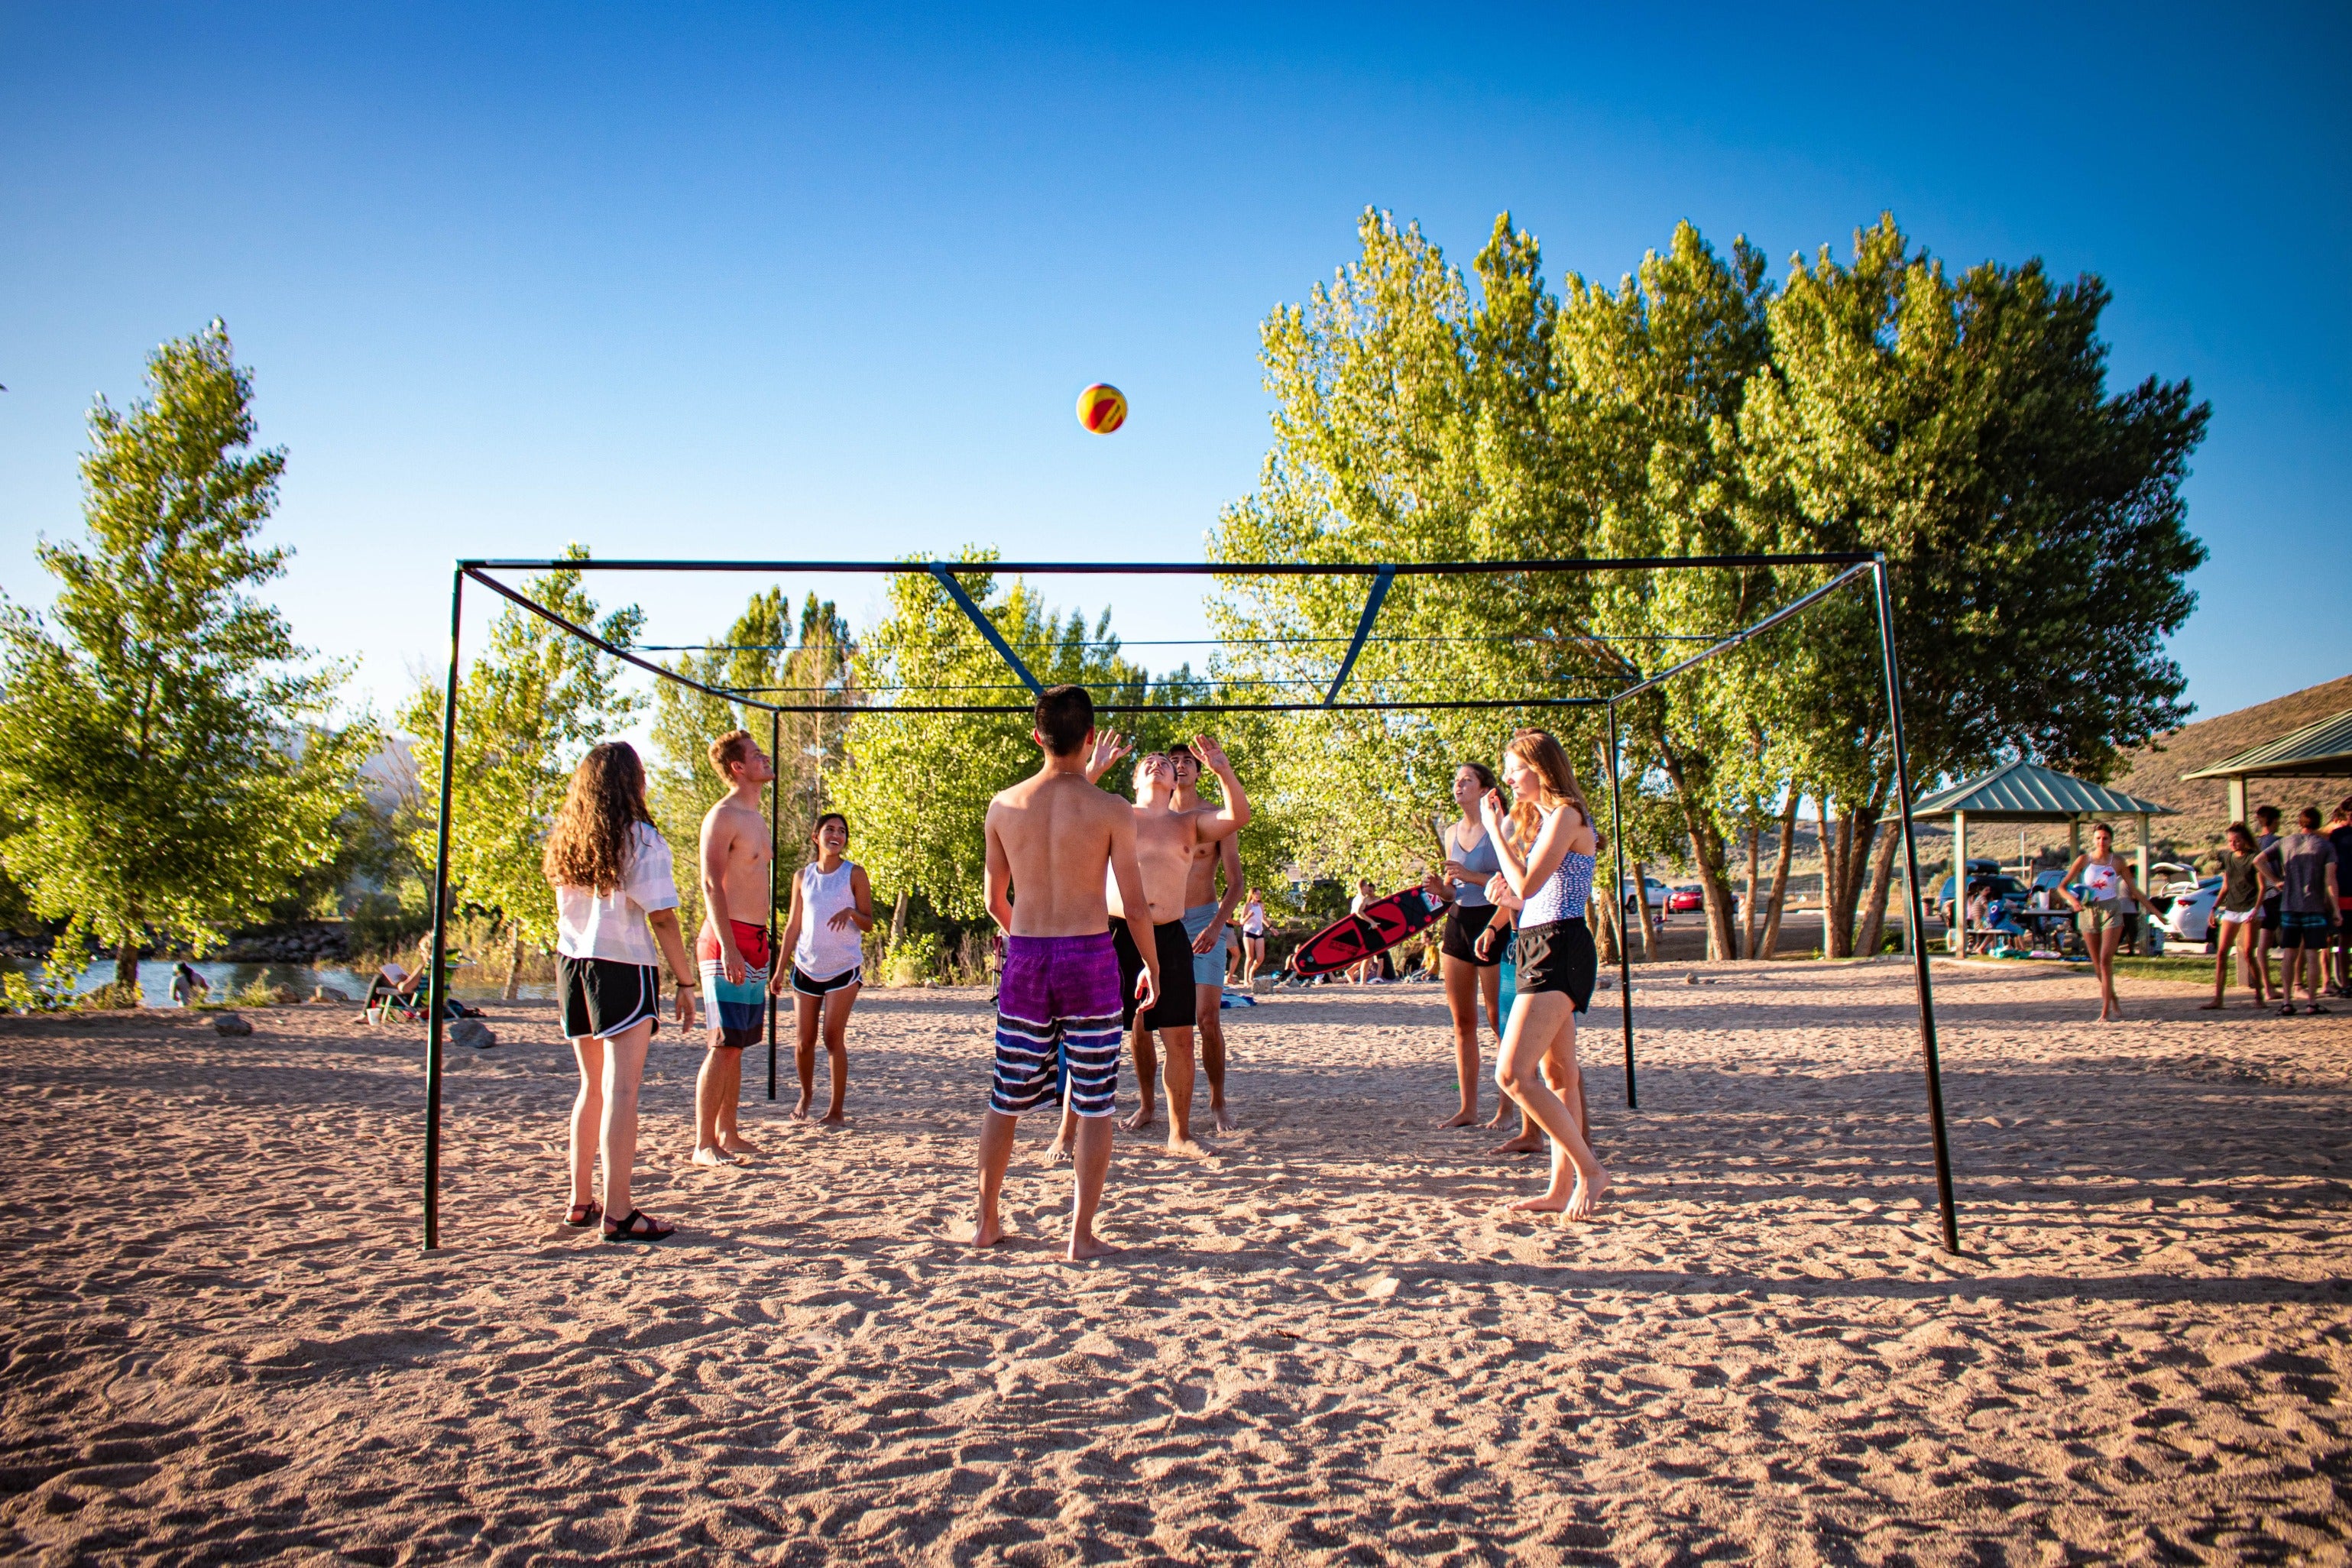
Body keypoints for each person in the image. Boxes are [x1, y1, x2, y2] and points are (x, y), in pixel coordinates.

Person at [971, 685, 1159, 1260]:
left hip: (1027, 955)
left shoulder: (1004, 805)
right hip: (1090, 957)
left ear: (1037, 736)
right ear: (1088, 738)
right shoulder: (1111, 809)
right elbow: (1134, 901)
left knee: (1006, 1095)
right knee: (1096, 1099)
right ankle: (1080, 1236)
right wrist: (1153, 965)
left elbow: (992, 900)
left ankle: (986, 1223)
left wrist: (1023, 935)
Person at [1057, 737, 1251, 1158]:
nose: (1159, 765)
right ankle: (1066, 1132)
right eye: (1150, 761)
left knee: (1180, 1038)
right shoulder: (1116, 811)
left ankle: (1179, 1134)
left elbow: (1239, 815)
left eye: (1165, 763)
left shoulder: (1190, 823)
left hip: (1169, 934)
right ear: (1136, 777)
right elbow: (1069, 810)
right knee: (1093, 1037)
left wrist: (1223, 770)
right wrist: (1096, 767)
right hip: (1113, 933)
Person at [544, 741, 698, 1243]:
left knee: (590, 1087)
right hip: (622, 964)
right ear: (633, 782)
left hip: (572, 966)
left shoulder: (569, 836)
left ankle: (579, 1202)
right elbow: (663, 918)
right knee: (622, 1092)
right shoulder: (641, 839)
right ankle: (620, 1211)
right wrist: (686, 981)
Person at [1481, 729, 1610, 1220]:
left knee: (1513, 1074)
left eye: (1514, 768)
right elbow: (1531, 894)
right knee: (1559, 1076)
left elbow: (1532, 883)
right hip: (1540, 940)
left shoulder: (1569, 815)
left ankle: (1590, 1170)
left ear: (1540, 767)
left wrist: (1496, 831)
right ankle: (1560, 1189)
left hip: (1561, 947)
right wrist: (1508, 899)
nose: (1510, 778)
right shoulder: (1549, 821)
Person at [692, 729, 777, 1166]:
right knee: (722, 1043)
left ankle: (729, 1131)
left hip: (756, 939)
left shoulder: (757, 817)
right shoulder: (722, 815)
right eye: (755, 754)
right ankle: (704, 1142)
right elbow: (710, 883)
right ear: (737, 768)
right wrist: (728, 944)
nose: (765, 758)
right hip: (726, 939)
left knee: (739, 1043)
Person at [774, 812, 873, 1122]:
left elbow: (869, 923)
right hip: (805, 966)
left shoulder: (854, 874)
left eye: (842, 831)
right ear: (816, 836)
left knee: (832, 1037)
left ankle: (835, 1110)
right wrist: (778, 970)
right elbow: (792, 925)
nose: (837, 835)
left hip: (843, 968)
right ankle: (805, 1096)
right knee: (804, 1041)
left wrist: (851, 912)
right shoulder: (803, 877)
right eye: (829, 829)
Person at [1168, 741, 1246, 1133]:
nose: (1181, 766)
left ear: (1198, 771)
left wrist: (1218, 926)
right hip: (1162, 923)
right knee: (1148, 1021)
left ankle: (1218, 1101)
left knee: (1207, 1019)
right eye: (1174, 761)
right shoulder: (1152, 818)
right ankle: (1149, 1104)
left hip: (1204, 922)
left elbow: (1236, 883)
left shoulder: (1216, 817)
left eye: (1187, 761)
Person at [1433, 763, 1513, 1130]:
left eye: (1467, 780)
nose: (1458, 785)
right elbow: (1454, 891)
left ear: (1484, 790)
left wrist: (1472, 876)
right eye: (1456, 780)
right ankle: (1467, 1109)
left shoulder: (1503, 827)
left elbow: (1514, 881)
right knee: (1463, 1023)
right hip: (1458, 924)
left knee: (1500, 1022)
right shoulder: (1451, 832)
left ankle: (1508, 1109)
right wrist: (1442, 889)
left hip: (1493, 923)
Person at [2060, 823, 2152, 1022]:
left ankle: (2105, 1012)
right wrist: (2073, 900)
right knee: (2096, 966)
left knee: (2105, 959)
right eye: (2098, 838)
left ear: (2111, 841)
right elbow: (2062, 887)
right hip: (2088, 910)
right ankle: (2114, 998)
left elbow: (2134, 890)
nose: (2102, 841)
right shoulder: (2084, 860)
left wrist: (2155, 912)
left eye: (2105, 838)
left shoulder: (2118, 861)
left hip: (2111, 909)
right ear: (2093, 840)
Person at [2266, 806, 2341, 1016]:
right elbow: (2330, 880)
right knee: (2312, 955)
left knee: (2289, 954)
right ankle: (2311, 1003)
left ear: (2300, 823)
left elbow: (2258, 860)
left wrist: (2276, 881)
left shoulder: (2285, 842)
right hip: (2314, 906)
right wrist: (2336, 909)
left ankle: (2287, 1002)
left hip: (2289, 905)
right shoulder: (2325, 847)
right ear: (2319, 823)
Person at [2200, 822, 2275, 1011]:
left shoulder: (2254, 858)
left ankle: (2259, 995)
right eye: (2230, 841)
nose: (2233, 844)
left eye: (2237, 840)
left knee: (2249, 953)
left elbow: (2262, 888)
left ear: (2245, 840)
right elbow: (2225, 886)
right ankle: (2218, 998)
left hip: (2251, 908)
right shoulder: (2229, 858)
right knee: (2221, 953)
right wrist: (2214, 907)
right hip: (2232, 909)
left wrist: (2256, 910)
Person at [2253, 805, 2285, 999]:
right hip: (2274, 895)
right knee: (2293, 940)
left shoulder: (2254, 843)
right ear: (2273, 821)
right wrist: (2276, 880)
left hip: (2260, 898)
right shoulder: (2277, 842)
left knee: (2263, 945)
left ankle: (2267, 985)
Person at [2328, 796, 2352, 999]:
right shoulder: (2337, 835)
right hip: (2344, 893)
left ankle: (2345, 982)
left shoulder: (2337, 835)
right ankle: (2345, 982)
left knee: (2345, 940)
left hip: (2344, 892)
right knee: (2344, 939)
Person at [1239, 888, 1268, 983]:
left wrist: (1271, 928)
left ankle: (1252, 971)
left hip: (1259, 932)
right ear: (1252, 894)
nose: (1258, 896)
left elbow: (1263, 918)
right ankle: (1246, 979)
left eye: (1260, 894)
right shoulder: (1247, 906)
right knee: (1250, 957)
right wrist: (1248, 916)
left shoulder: (1261, 905)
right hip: (1249, 932)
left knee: (1260, 957)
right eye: (1257, 894)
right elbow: (1241, 921)